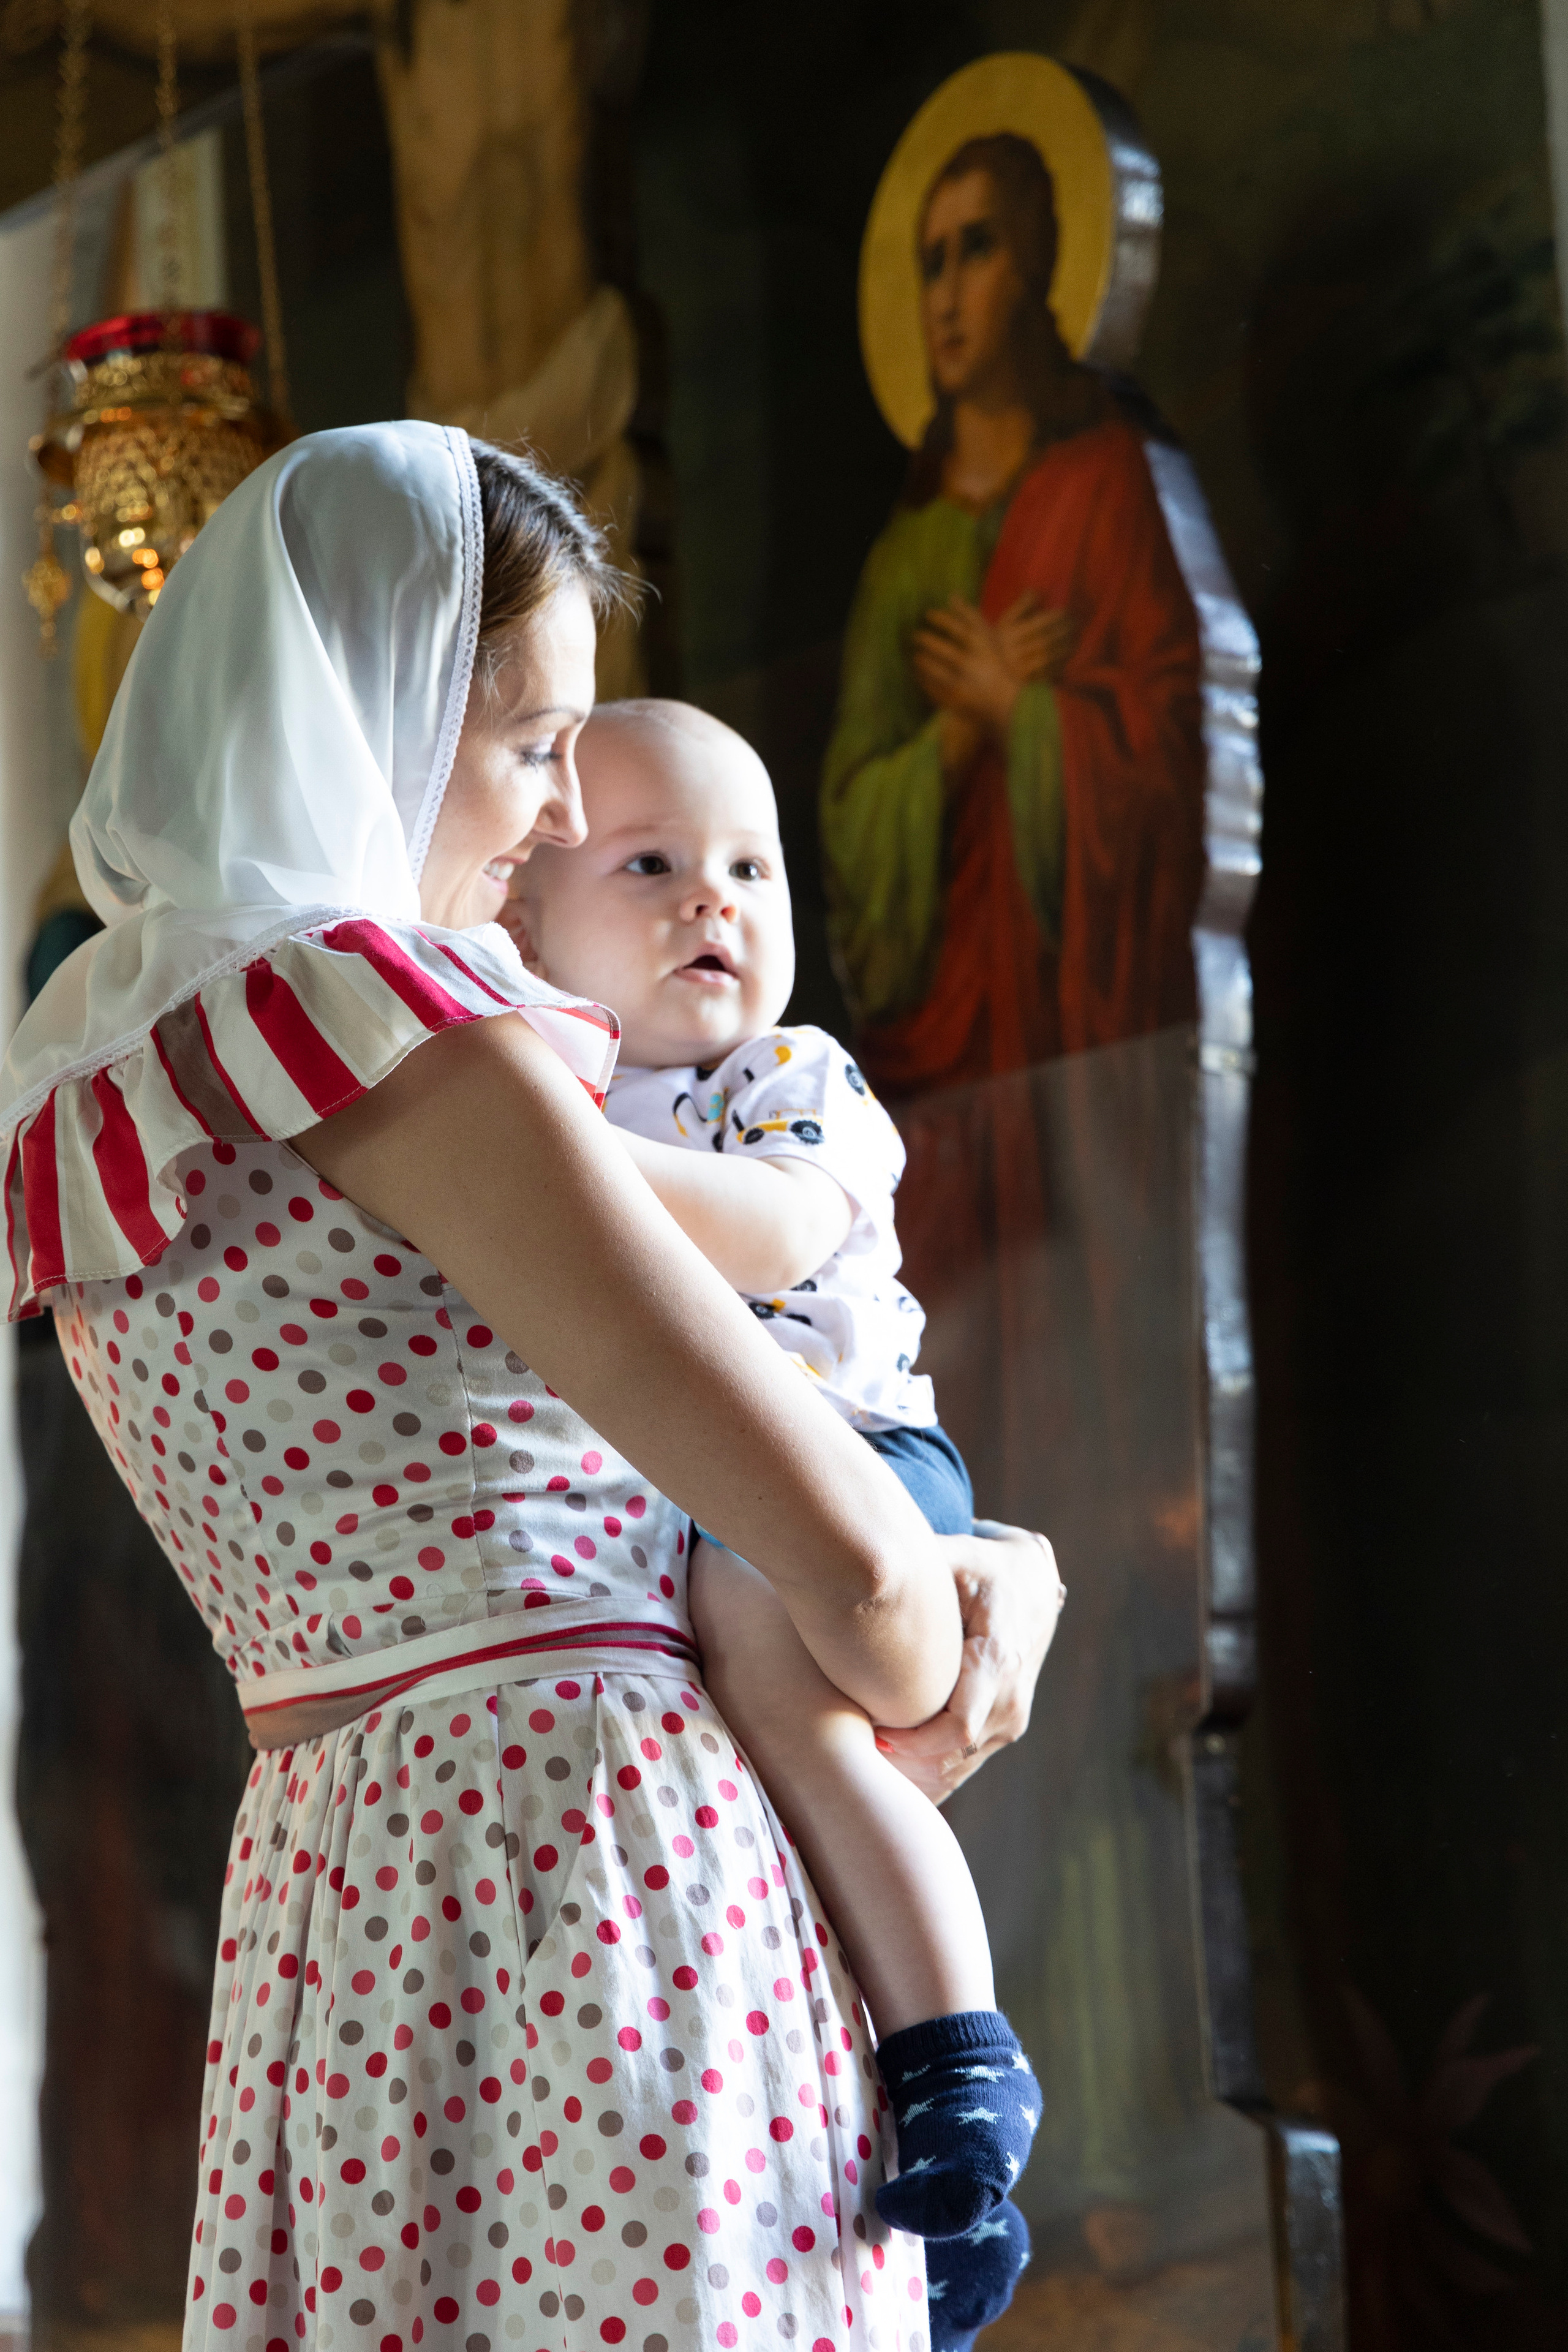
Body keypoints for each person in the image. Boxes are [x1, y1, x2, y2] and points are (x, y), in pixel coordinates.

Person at [0, 423, 1061, 2352]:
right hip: (601, 1871)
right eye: (528, 743)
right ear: (382, 715)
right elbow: (871, 1603)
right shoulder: (419, 1042)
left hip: (335, 1903)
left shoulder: (109, 1083)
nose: (566, 815)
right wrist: (972, 1595)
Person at [508, 698, 1060, 2318]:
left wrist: (534, 1147)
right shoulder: (549, 1082)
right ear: (524, 917)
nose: (717, 900)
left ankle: (965, 2060)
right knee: (769, 1793)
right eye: (655, 863)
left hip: (853, 1458)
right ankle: (933, 2187)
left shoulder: (783, 1075)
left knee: (786, 1686)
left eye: (753, 866)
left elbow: (768, 1234)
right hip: (694, 1504)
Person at [820, 130, 1204, 1099]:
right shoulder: (903, 556)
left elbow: (1183, 752)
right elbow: (851, 821)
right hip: (943, 1055)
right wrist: (959, 732)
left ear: (1037, 267)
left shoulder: (1111, 487)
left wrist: (1020, 711)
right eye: (931, 262)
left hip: (1095, 1033)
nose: (946, 297)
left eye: (979, 249)